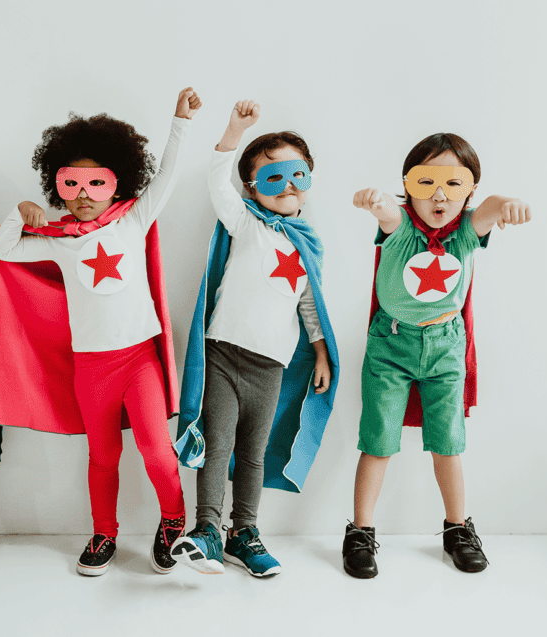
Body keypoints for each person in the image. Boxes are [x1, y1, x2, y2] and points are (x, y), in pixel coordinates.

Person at [0, 88, 202, 576]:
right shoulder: (59, 241)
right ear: (57, 183)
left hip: (138, 359)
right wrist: (21, 211)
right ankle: (104, 532)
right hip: (91, 365)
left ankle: (173, 521)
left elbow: (166, 177)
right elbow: (2, 252)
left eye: (95, 183)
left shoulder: (133, 220)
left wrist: (179, 122)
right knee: (102, 455)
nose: (83, 195)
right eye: (71, 183)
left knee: (153, 447)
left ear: (116, 182)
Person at [342, 133, 532, 578]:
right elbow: (386, 214)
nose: (440, 194)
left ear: (469, 189)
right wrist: (372, 200)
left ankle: (457, 529)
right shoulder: (403, 229)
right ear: (408, 187)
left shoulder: (466, 234)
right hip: (391, 345)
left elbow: (487, 211)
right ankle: (361, 531)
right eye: (427, 182)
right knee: (378, 440)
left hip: (446, 346)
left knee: (448, 443)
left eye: (454, 182)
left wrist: (508, 202)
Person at [171, 101, 338, 577]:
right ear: (252, 186)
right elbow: (216, 183)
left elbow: (311, 304)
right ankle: (205, 529)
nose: (286, 185)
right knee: (217, 443)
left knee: (254, 453)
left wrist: (322, 351)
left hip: (270, 365)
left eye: (296, 174)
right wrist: (232, 131)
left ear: (308, 178)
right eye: (272, 176)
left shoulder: (307, 243)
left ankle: (243, 533)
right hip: (223, 354)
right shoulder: (245, 222)